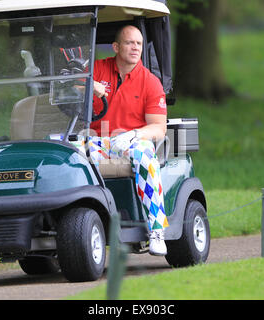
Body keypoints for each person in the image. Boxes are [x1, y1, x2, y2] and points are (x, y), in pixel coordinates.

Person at [73, 25, 168, 256]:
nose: (135, 47)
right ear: (116, 47)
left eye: (138, 43)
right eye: (129, 43)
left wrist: (134, 135)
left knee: (145, 156)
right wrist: (88, 87)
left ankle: (157, 231)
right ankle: (68, 225)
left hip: (132, 141)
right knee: (64, 154)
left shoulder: (150, 81)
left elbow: (159, 127)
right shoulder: (98, 68)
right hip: (96, 141)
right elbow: (71, 86)